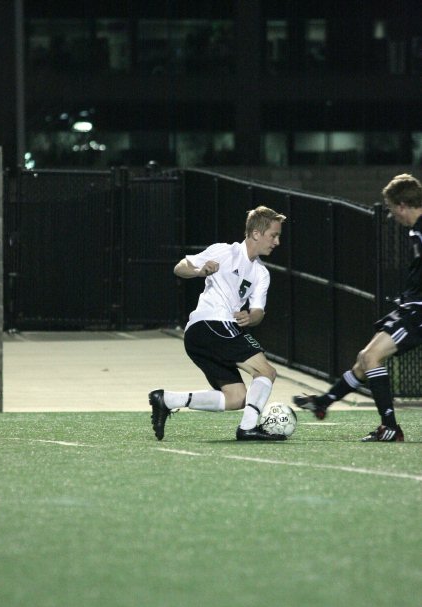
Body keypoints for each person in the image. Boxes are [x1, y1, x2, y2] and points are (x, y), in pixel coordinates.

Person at [293, 173, 422, 442]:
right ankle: (324, 403)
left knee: (371, 357)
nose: (390, 215)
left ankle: (390, 427)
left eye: (390, 208)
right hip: (410, 306)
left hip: (418, 311)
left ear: (401, 205)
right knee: (365, 359)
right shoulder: (416, 229)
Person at [149, 205, 287, 441]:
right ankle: (248, 429)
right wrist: (200, 271)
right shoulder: (225, 252)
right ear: (256, 233)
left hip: (204, 335)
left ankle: (166, 399)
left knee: (236, 398)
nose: (277, 242)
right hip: (211, 324)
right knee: (266, 371)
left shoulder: (261, 273)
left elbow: (258, 312)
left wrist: (250, 318)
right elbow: (180, 268)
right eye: (273, 235)